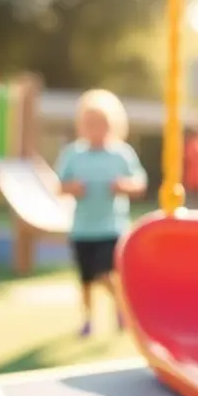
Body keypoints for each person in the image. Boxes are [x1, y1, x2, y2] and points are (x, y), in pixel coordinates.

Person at [54, 89, 147, 337]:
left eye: (101, 123)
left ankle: (121, 307)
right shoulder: (73, 154)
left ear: (114, 125)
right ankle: (87, 320)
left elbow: (139, 183)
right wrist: (73, 188)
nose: (96, 129)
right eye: (90, 123)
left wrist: (123, 186)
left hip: (111, 227)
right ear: (81, 126)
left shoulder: (121, 153)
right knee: (85, 280)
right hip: (83, 228)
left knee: (105, 273)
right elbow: (59, 186)